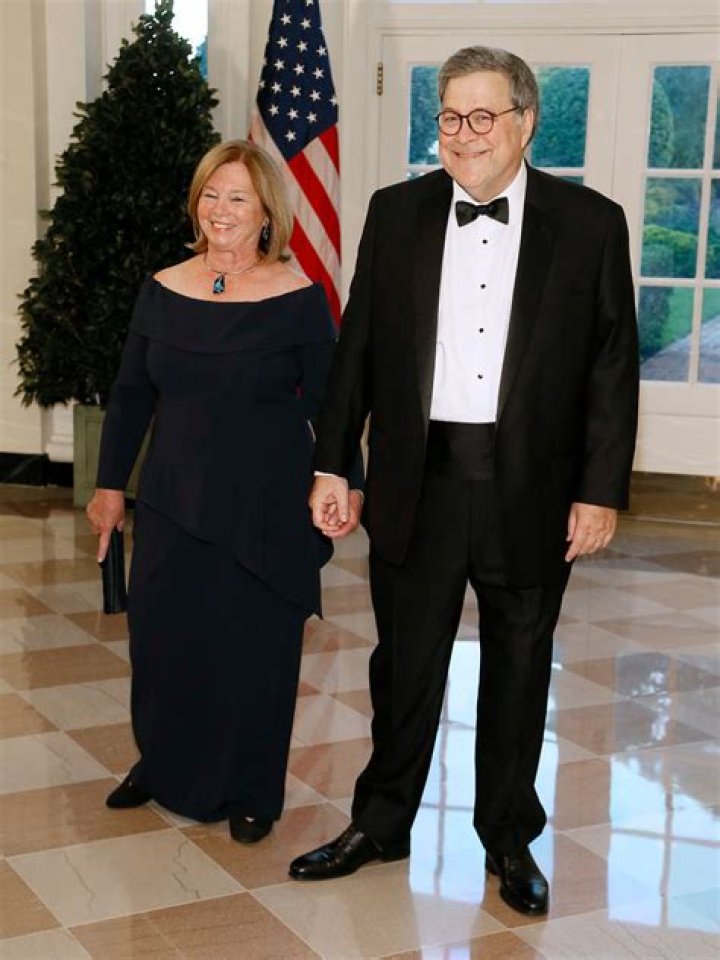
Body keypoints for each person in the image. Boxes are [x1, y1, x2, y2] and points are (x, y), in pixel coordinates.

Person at [288, 46, 639, 914]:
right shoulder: (396, 211)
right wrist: (334, 462)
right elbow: (358, 349)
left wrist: (600, 490)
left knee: (520, 668)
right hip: (419, 478)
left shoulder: (590, 224)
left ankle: (508, 837)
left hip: (534, 488)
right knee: (404, 665)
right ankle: (381, 822)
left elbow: (611, 367)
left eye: (484, 115)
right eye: (449, 116)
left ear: (525, 122)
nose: (464, 134)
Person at [86, 140, 362, 843]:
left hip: (262, 510)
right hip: (171, 499)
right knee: (163, 643)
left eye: (237, 197)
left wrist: (344, 482)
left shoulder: (297, 298)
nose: (220, 209)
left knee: (252, 654)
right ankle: (161, 766)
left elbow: (330, 405)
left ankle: (251, 790)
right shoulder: (162, 288)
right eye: (211, 194)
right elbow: (130, 394)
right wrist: (109, 486)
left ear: (267, 212)